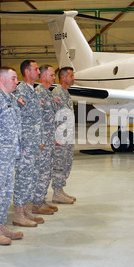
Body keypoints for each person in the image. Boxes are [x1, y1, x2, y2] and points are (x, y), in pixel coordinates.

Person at [0, 67, 24, 245]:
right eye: (14, 78)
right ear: (2, 80)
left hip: (9, 155)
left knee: (6, 192)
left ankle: (1, 224)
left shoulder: (10, 98)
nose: (17, 81)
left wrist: (18, 148)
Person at [12, 60, 45, 225]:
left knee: (31, 178)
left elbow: (37, 120)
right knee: (23, 178)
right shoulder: (21, 91)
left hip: (33, 144)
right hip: (24, 145)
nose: (38, 72)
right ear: (27, 71)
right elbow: (15, 119)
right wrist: (19, 145)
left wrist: (39, 141)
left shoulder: (33, 91)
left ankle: (25, 209)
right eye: (36, 69)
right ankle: (18, 214)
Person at [32, 65, 58, 215]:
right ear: (43, 76)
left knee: (47, 171)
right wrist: (40, 140)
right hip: (43, 141)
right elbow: (37, 119)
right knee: (41, 171)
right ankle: (36, 203)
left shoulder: (48, 93)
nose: (54, 77)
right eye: (51, 75)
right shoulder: (39, 93)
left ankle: (41, 200)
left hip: (49, 139)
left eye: (54, 75)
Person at [51, 67, 76, 204]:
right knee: (59, 164)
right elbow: (53, 116)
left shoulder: (66, 93)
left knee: (66, 163)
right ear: (63, 77)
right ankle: (56, 192)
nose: (73, 78)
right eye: (71, 76)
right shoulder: (57, 93)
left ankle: (60, 190)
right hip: (61, 137)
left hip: (68, 136)